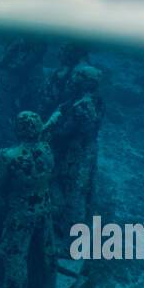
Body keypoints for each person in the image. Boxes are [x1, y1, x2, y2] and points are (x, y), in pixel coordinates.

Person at [0, 111, 54, 288]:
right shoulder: (47, 149)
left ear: (18, 129)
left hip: (21, 214)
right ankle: (47, 284)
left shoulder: (8, 156)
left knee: (15, 257)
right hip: (44, 206)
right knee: (46, 247)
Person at [44, 65, 104, 247]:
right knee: (82, 191)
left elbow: (64, 131)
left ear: (84, 84)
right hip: (86, 150)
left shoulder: (82, 106)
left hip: (77, 154)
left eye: (76, 79)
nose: (71, 82)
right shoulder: (96, 101)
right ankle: (72, 229)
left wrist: (50, 129)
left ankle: (73, 242)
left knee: (75, 193)